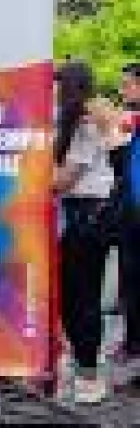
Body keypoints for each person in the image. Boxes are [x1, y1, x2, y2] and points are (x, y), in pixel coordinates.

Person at [54, 61, 117, 404]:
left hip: (89, 215)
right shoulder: (75, 122)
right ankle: (82, 362)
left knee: (84, 296)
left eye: (57, 84)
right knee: (72, 294)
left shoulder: (87, 124)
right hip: (80, 214)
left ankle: (90, 373)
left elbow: (66, 179)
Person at [106, 63, 140, 385]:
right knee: (130, 281)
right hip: (130, 213)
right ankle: (133, 342)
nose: (122, 90)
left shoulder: (132, 120)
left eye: (127, 84)